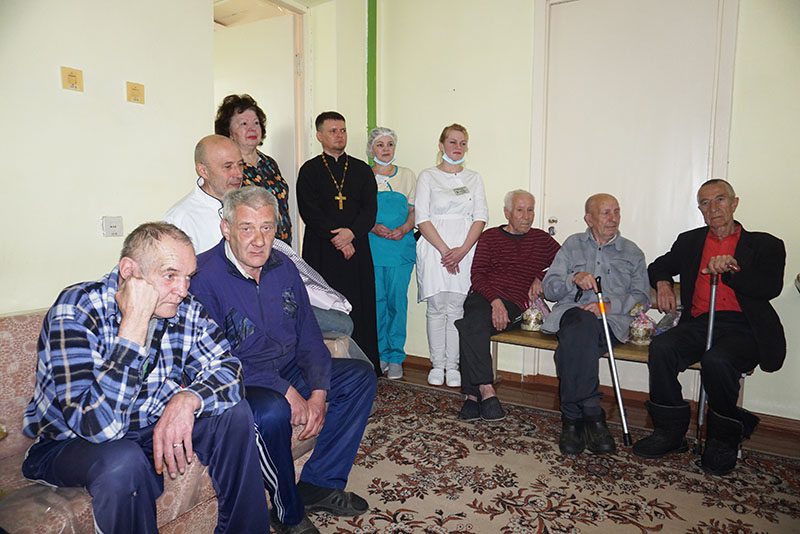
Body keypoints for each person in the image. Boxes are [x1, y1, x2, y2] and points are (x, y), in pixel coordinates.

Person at [21, 223, 268, 534]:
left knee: (234, 413)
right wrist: (134, 324)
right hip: (70, 443)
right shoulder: (77, 309)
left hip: (145, 427)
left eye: (188, 277)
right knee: (124, 460)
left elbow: (230, 370)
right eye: (170, 276)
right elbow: (97, 427)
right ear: (129, 271)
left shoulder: (184, 308)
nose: (183, 290)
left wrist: (187, 399)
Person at [191, 187, 377, 534]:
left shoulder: (284, 266)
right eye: (247, 228)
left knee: (360, 377)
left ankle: (319, 483)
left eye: (267, 227)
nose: (259, 240)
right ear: (226, 228)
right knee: (273, 410)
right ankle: (286, 511)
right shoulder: (204, 277)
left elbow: (308, 334)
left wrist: (318, 391)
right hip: (238, 380)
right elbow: (215, 360)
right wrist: (285, 390)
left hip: (285, 367)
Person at [632, 179, 786, 475]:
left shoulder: (766, 244)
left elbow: (770, 287)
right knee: (662, 348)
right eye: (705, 202)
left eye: (720, 199)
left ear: (735, 203)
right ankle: (670, 431)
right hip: (701, 322)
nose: (713, 208)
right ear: (700, 209)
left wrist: (732, 272)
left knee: (717, 360)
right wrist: (663, 282)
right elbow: (658, 265)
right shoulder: (690, 241)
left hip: (745, 327)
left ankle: (723, 439)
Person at [165, 134, 354, 337]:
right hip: (230, 310)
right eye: (228, 167)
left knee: (341, 322)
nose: (238, 174)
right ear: (203, 170)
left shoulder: (249, 201)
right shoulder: (181, 218)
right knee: (339, 325)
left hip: (270, 292)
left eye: (240, 165)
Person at [542, 194, 649, 455]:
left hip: (610, 323)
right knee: (581, 324)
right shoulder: (572, 245)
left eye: (616, 212)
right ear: (589, 219)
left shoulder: (632, 252)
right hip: (572, 315)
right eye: (605, 213)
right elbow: (550, 289)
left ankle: (572, 419)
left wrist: (610, 306)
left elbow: (643, 299)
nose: (613, 218)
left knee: (573, 344)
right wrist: (572, 279)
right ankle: (592, 414)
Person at [455, 190, 561, 421]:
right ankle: (486, 390)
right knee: (474, 319)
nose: (527, 216)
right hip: (484, 297)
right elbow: (477, 275)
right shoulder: (490, 237)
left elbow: (566, 262)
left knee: (469, 325)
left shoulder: (541, 239)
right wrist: (495, 301)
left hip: (514, 303)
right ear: (507, 213)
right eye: (520, 210)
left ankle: (472, 396)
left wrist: (542, 276)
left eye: (530, 210)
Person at [297, 111, 380, 374]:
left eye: (343, 130)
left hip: (357, 250)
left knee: (360, 305)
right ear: (319, 135)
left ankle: (365, 365)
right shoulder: (309, 170)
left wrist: (351, 234)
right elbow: (309, 210)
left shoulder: (362, 169)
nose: (339, 135)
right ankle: (323, 367)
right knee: (322, 306)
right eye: (333, 131)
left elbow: (370, 210)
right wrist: (339, 238)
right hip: (322, 250)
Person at [415, 123, 488, 387]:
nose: (458, 147)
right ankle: (437, 364)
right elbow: (422, 218)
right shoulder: (427, 176)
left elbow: (480, 217)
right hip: (435, 248)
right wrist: (446, 251)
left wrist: (462, 251)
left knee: (457, 308)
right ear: (441, 145)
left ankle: (453, 366)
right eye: (453, 142)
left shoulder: (474, 178)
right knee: (436, 308)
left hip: (465, 248)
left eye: (462, 143)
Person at [367, 127, 416, 380]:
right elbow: (359, 212)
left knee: (397, 302)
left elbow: (414, 211)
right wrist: (372, 226)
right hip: (373, 249)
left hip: (400, 250)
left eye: (389, 144)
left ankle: (396, 356)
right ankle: (380, 354)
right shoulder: (364, 176)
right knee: (377, 302)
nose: (385, 149)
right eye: (380, 144)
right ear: (371, 149)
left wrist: (405, 229)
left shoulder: (407, 176)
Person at [215, 93, 293, 244]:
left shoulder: (269, 163)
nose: (252, 128)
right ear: (229, 132)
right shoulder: (228, 167)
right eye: (243, 124)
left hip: (281, 244)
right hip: (251, 245)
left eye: (256, 123)